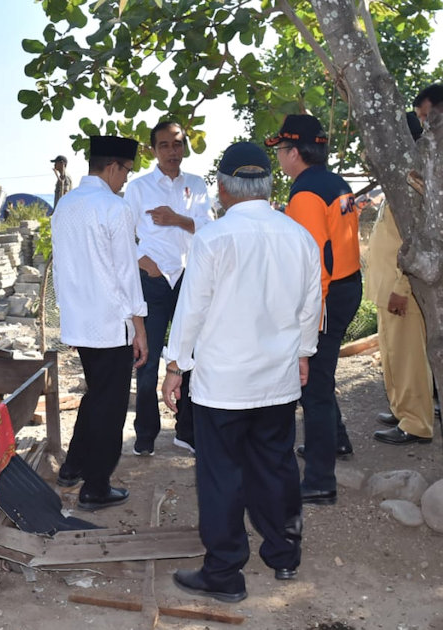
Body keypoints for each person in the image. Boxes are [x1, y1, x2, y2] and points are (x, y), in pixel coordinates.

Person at [161, 142, 322, 603]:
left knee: (221, 476)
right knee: (276, 465)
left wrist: (175, 365)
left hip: (223, 385)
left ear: (224, 188)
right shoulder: (299, 237)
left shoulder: (213, 238)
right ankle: (284, 555)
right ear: (270, 186)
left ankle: (225, 573)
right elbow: (311, 307)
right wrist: (304, 352)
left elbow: (191, 311)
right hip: (277, 379)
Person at [266, 114, 362, 506]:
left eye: (281, 151)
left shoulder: (304, 193)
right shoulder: (336, 182)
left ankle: (320, 479)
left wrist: (307, 314)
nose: (279, 159)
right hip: (349, 285)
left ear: (295, 152)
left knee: (315, 387)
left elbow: (311, 263)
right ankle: (334, 440)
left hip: (324, 294)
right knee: (321, 372)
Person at [50, 135, 148, 511]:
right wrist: (139, 328)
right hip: (110, 322)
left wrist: (70, 320)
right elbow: (127, 274)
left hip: (82, 321)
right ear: (113, 167)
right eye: (125, 172)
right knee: (110, 405)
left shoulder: (66, 205)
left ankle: (73, 465)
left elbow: (61, 270)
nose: (125, 180)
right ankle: (97, 485)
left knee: (97, 395)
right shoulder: (114, 207)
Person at [120, 121, 213, 455]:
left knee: (193, 357)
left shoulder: (197, 185)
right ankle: (145, 436)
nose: (173, 151)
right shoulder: (138, 188)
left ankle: (186, 431)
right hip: (154, 282)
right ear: (153, 150)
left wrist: (178, 219)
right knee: (146, 360)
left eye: (178, 144)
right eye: (165, 145)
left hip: (191, 279)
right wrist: (144, 263)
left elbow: (208, 229)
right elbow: (122, 236)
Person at [368, 98, 442, 446]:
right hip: (387, 285)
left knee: (409, 357)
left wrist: (400, 285)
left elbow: (414, 239)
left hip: (403, 287)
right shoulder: (399, 176)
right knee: (393, 353)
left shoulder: (413, 179)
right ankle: (401, 410)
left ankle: (417, 423)